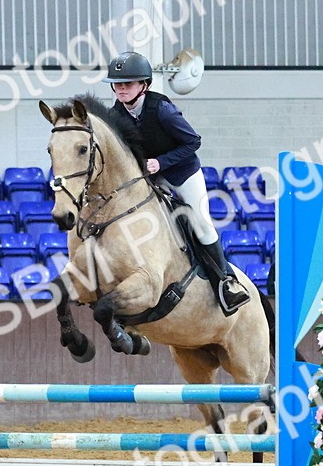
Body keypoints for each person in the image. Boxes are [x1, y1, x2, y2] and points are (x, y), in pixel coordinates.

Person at [102, 50, 251, 315]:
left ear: (143, 85)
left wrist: (161, 162)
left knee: (202, 223)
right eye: (118, 84)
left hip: (182, 171)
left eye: (128, 83)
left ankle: (227, 283)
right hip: (149, 174)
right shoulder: (115, 115)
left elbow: (193, 142)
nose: (122, 88)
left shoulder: (162, 109)